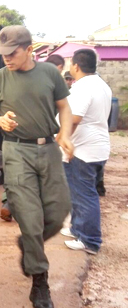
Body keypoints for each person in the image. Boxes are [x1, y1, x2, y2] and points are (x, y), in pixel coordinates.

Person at [0, 25, 73, 308]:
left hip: (48, 150)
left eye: (12, 52)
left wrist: (65, 135)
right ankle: (39, 281)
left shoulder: (50, 74)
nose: (6, 58)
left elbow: (64, 108)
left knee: (59, 212)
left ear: (29, 50)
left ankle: (29, 244)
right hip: (16, 150)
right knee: (30, 219)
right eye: (3, 53)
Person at [0, 53, 67, 222]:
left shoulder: (29, 81)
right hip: (38, 140)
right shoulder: (47, 84)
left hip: (19, 141)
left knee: (16, 177)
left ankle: (10, 204)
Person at [60, 49, 111, 255]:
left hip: (82, 150)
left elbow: (74, 118)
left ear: (76, 66)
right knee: (79, 193)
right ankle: (78, 230)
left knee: (84, 195)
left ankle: (90, 240)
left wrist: (63, 139)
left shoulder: (82, 88)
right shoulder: (101, 85)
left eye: (70, 64)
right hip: (96, 147)